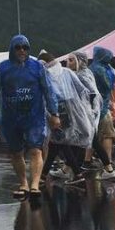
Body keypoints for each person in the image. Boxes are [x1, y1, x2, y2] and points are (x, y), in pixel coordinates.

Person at [0, 34, 61, 200]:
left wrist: (54, 113)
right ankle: (23, 184)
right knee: (16, 152)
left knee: (35, 149)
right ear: (12, 49)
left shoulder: (37, 68)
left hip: (34, 116)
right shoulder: (3, 68)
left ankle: (34, 185)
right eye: (18, 47)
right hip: (11, 117)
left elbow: (49, 90)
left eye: (25, 47)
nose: (21, 51)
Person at [37, 50, 95, 184]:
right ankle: (44, 175)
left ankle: (77, 174)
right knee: (57, 143)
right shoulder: (67, 72)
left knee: (60, 142)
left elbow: (46, 96)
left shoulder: (46, 76)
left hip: (55, 111)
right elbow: (83, 90)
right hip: (70, 111)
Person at [88, 46, 115, 180]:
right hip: (104, 106)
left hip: (97, 107)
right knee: (104, 136)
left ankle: (108, 165)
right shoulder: (108, 69)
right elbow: (110, 87)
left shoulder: (96, 69)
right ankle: (107, 163)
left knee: (103, 136)